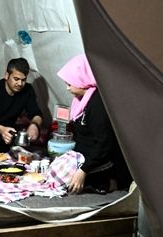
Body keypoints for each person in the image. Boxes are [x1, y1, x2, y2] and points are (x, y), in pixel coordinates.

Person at [56, 53, 132, 194]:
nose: (67, 88)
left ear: (81, 79)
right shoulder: (80, 101)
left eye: (69, 83)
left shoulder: (97, 104)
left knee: (69, 185)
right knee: (56, 173)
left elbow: (104, 144)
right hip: (85, 157)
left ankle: (112, 182)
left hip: (100, 161)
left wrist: (83, 170)